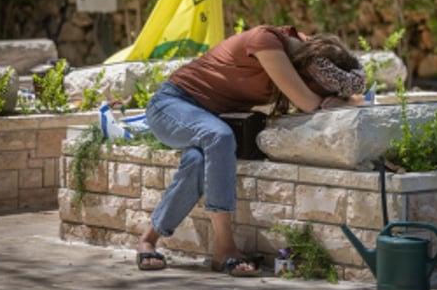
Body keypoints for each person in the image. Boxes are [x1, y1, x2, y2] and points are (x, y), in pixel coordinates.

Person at [136, 25, 365, 276]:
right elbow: (308, 102)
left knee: (196, 160)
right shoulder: (266, 42)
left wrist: (343, 98)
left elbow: (356, 98)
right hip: (172, 106)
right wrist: (331, 101)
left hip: (208, 119)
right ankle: (225, 247)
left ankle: (148, 239)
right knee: (218, 136)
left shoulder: (315, 53)